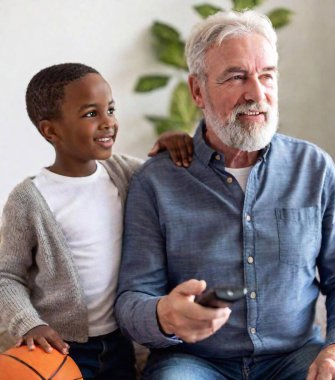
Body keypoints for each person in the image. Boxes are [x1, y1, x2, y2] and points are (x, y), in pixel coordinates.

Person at [115, 10, 335, 380]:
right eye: (236, 77)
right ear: (197, 91)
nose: (257, 94)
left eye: (267, 75)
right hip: (195, 363)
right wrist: (163, 314)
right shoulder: (156, 182)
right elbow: (132, 299)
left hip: (296, 357)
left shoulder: (313, 167)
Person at [0, 62, 192, 379]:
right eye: (91, 114)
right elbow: (7, 276)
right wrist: (30, 322)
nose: (108, 123)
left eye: (111, 109)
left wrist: (173, 141)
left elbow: (168, 179)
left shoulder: (126, 174)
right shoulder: (29, 199)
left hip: (121, 343)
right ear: (51, 130)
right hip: (59, 347)